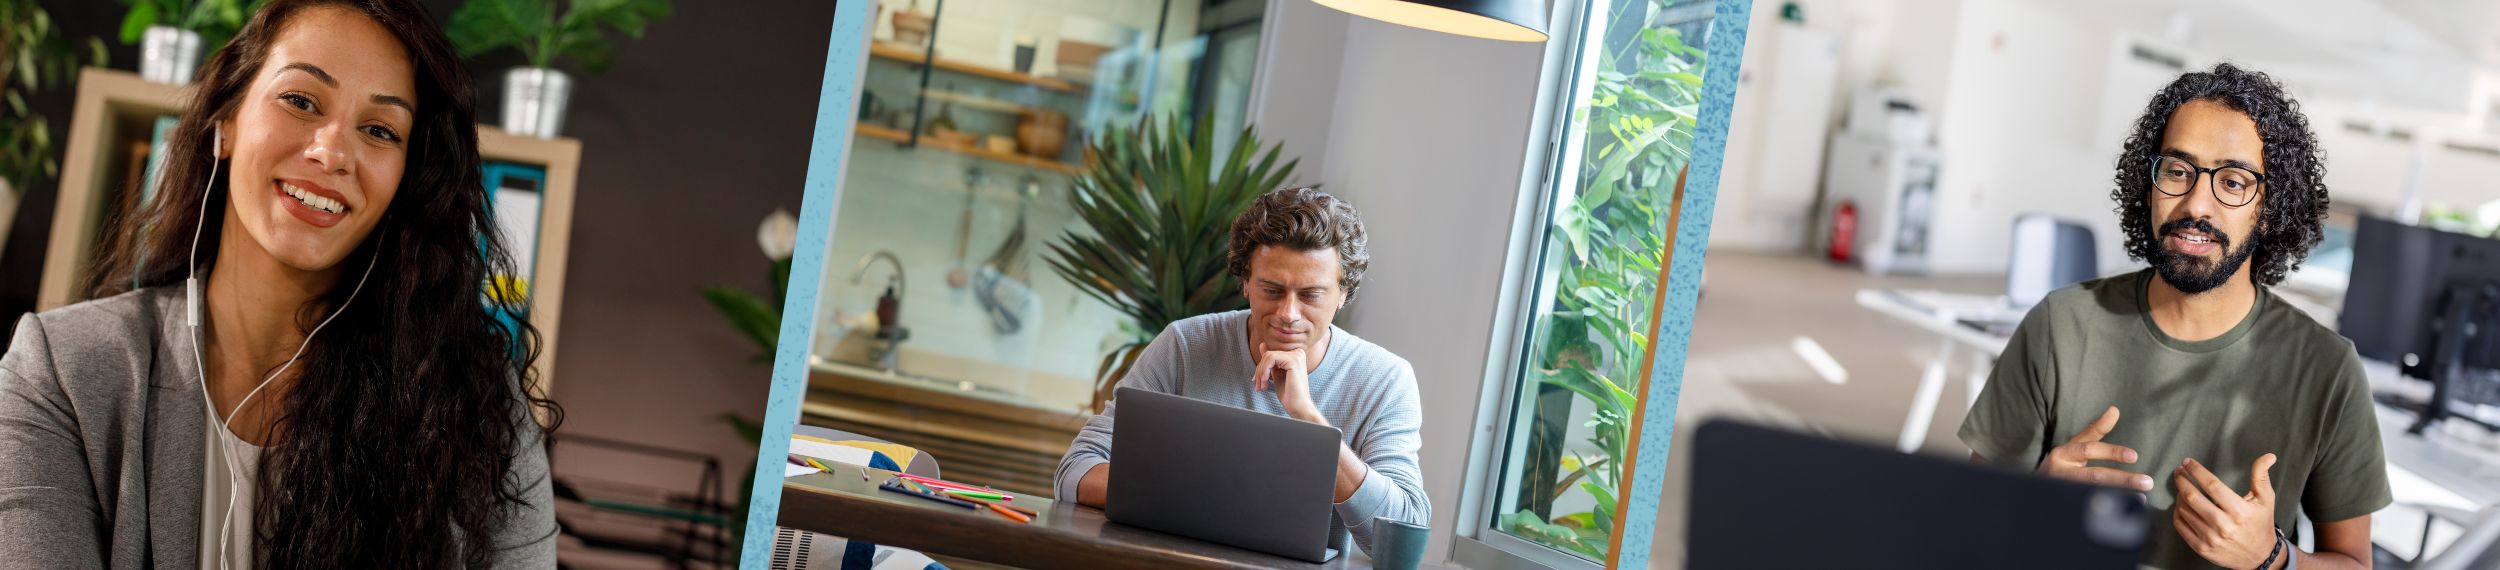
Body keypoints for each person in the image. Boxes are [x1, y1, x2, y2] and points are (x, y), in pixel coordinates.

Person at [0, 0, 561, 567]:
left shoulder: (481, 415)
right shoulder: (61, 372)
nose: (333, 152)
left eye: (380, 129)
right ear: (225, 122)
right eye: (300, 100)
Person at [1960, 63, 2387, 569]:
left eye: (2233, 181)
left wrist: (2272, 558)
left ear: (2270, 209)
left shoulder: (2327, 368)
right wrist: (2038, 499)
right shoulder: (2060, 325)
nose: (2196, 204)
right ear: (2149, 183)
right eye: (2178, 172)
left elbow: (2356, 564)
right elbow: (1969, 524)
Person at [1054, 186, 1429, 555]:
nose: (1288, 314)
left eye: (1311, 295)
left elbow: (1403, 536)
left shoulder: (1385, 380)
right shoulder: (1184, 345)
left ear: (1344, 292)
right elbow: (1075, 472)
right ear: (1245, 281)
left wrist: (1311, 423)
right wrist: (1210, 500)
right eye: (1271, 289)